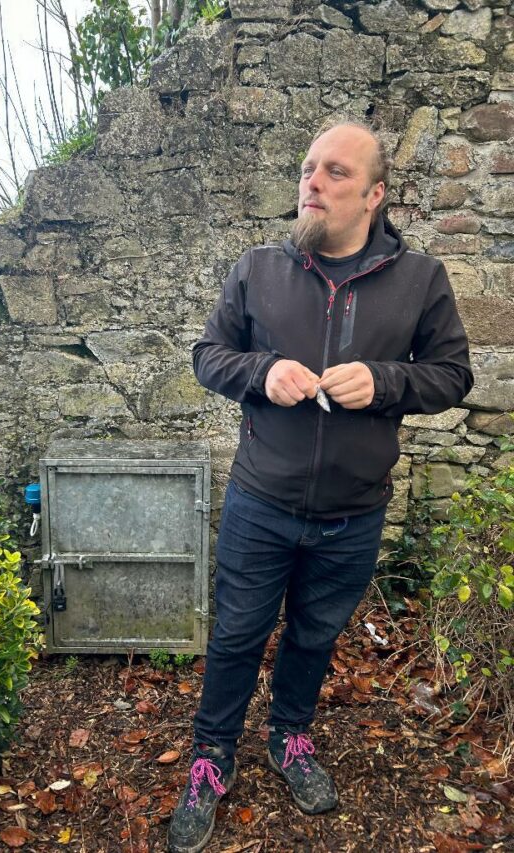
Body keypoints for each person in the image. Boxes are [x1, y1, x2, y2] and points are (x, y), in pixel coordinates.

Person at [167, 118, 474, 853]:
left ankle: (291, 736)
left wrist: (387, 380)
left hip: (352, 514)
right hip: (260, 503)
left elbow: (454, 374)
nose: (313, 181)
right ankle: (213, 756)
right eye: (308, 168)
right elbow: (208, 355)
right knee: (238, 633)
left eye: (335, 171)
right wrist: (261, 372)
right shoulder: (259, 268)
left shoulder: (420, 279)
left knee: (313, 634)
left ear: (374, 195)